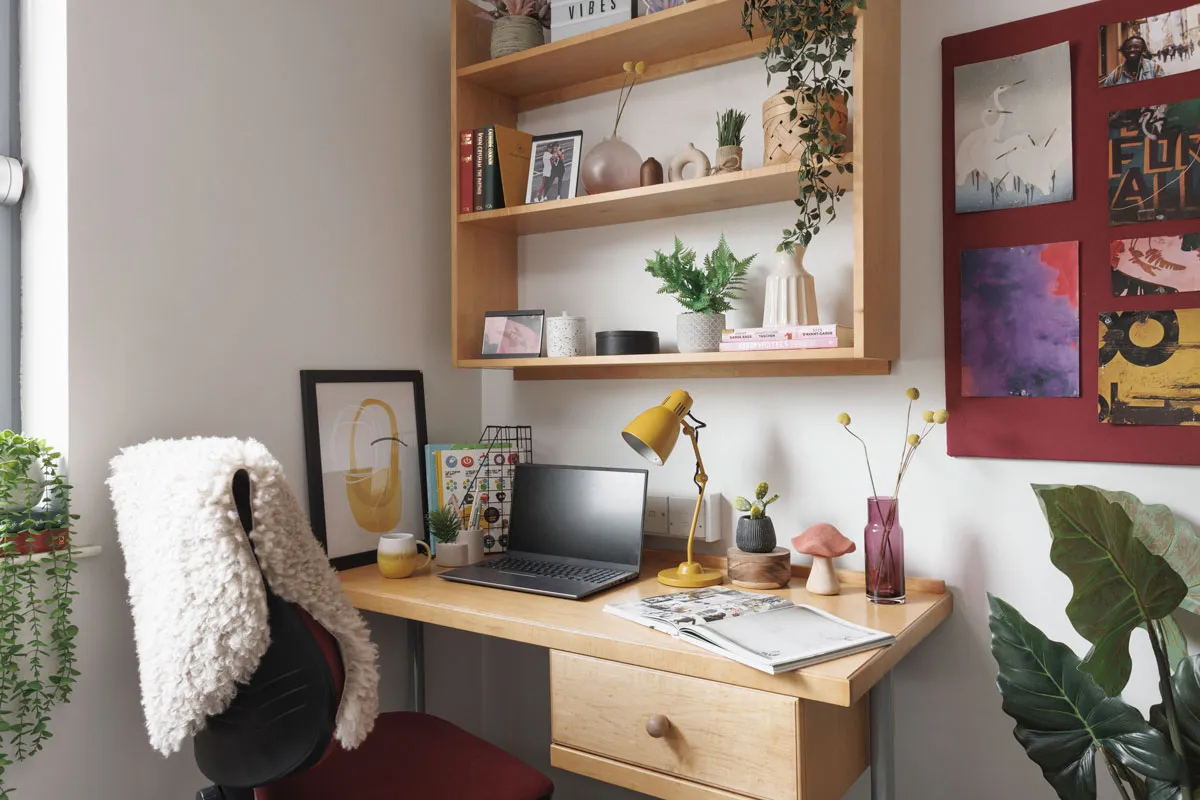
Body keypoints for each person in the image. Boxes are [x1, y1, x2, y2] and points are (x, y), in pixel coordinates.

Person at [1102, 35, 1166, 86]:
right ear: (1124, 51)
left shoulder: (1155, 69)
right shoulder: (1116, 74)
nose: (1132, 49)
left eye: (1136, 47)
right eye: (1128, 48)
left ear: (1143, 50)